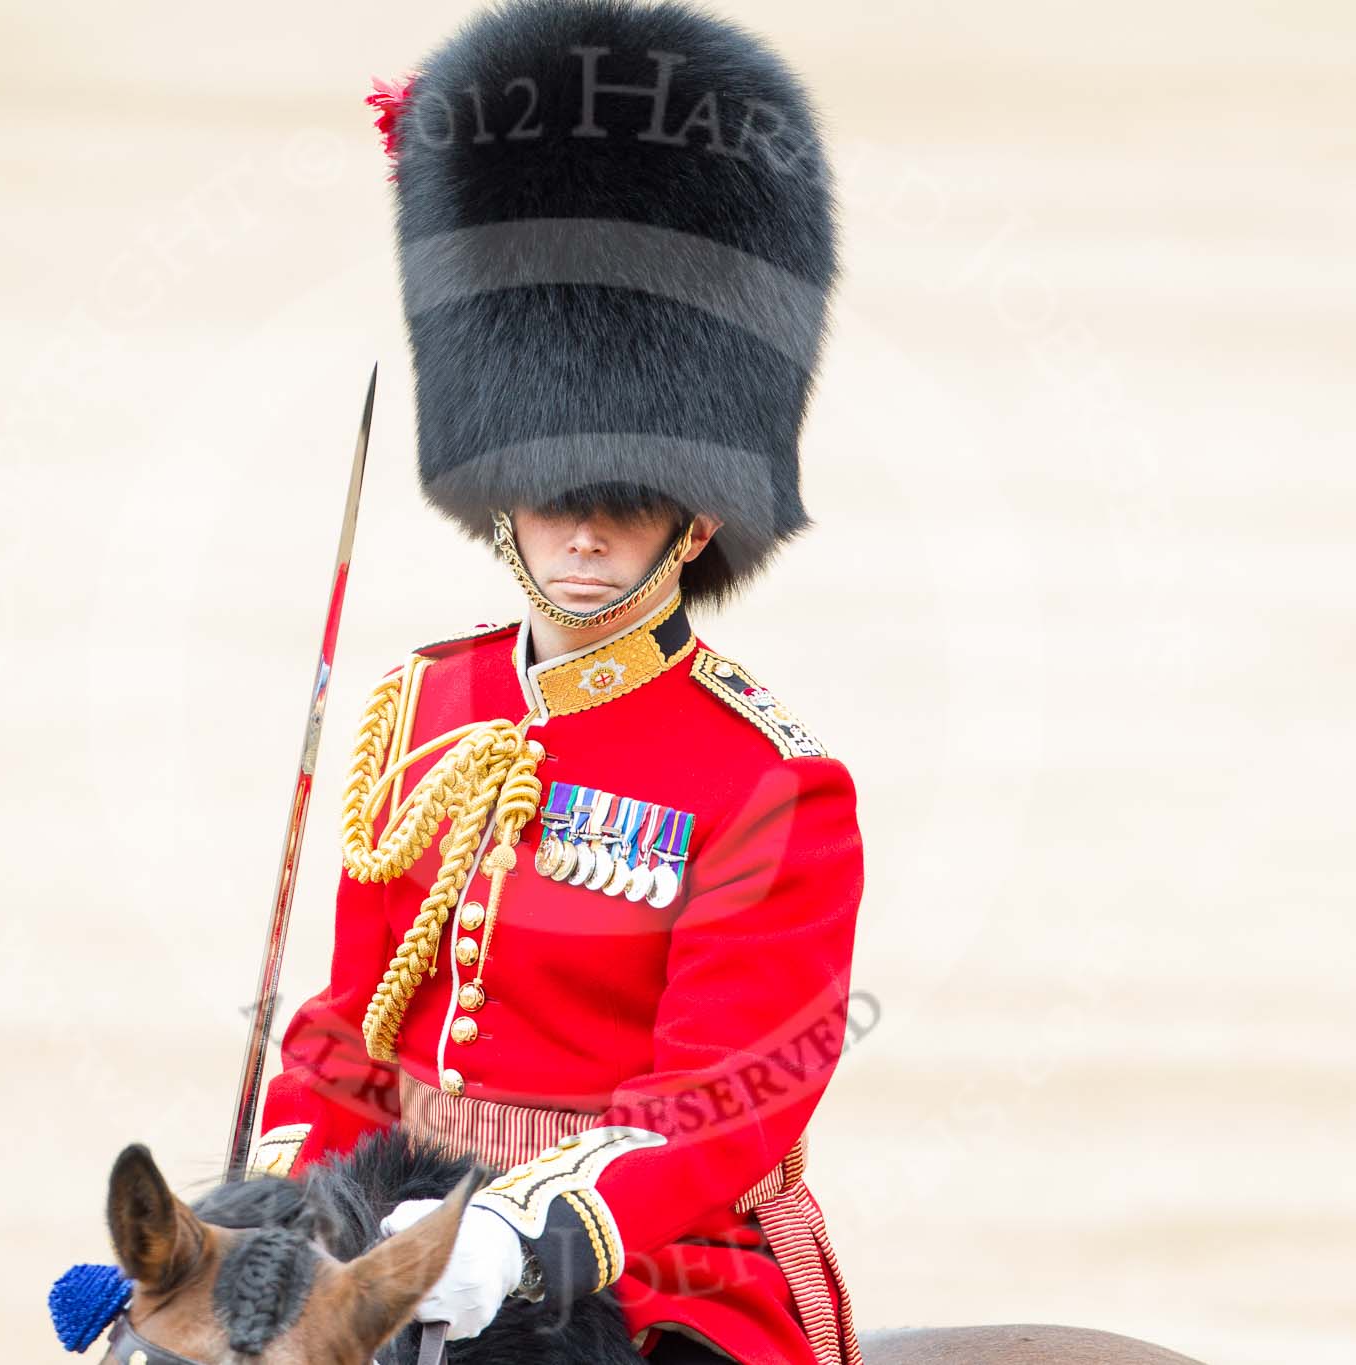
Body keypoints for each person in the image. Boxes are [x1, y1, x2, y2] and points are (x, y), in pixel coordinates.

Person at [249, 2, 863, 1361]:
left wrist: (516, 1235)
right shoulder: (422, 709)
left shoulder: (772, 782)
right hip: (400, 1240)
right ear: (500, 495)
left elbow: (715, 1107)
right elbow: (352, 1039)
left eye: (631, 505)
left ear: (697, 517)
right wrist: (267, 1222)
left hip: (664, 1274)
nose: (588, 532)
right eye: (556, 495)